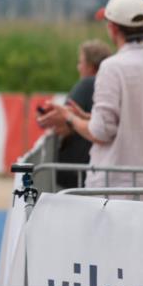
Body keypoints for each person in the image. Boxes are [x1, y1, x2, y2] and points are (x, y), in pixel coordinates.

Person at [57, 0, 143, 189]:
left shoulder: (112, 67)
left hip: (114, 188)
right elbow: (133, 121)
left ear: (112, 28)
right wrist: (87, 117)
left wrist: (70, 119)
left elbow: (101, 131)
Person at [37, 39, 112, 189]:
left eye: (80, 62)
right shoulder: (111, 84)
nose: (78, 67)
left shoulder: (87, 84)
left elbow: (61, 124)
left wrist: (49, 117)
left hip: (77, 170)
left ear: (90, 66)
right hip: (99, 168)